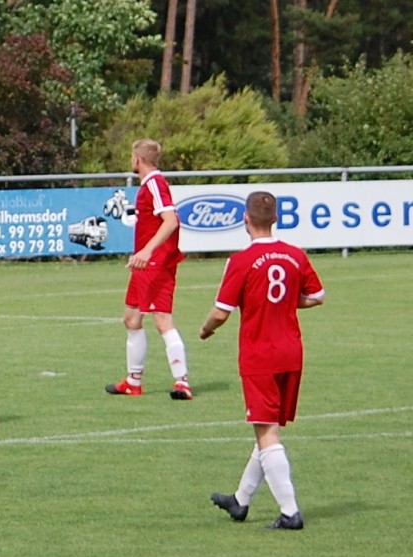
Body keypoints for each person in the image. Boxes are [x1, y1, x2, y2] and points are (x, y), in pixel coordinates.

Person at [200, 191, 324, 531]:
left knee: (267, 432)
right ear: (276, 219)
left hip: (260, 355)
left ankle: (290, 512)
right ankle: (240, 501)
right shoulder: (295, 255)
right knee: (268, 426)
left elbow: (221, 312)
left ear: (245, 219)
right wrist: (285, 303)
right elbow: (317, 296)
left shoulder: (240, 261)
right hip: (291, 352)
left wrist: (205, 329)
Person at [107, 139, 194, 400]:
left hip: (156, 264)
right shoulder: (148, 185)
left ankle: (182, 382)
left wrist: (147, 251)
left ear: (138, 159)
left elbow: (171, 220)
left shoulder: (155, 183)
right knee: (131, 318)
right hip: (143, 265)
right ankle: (133, 382)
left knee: (162, 320)